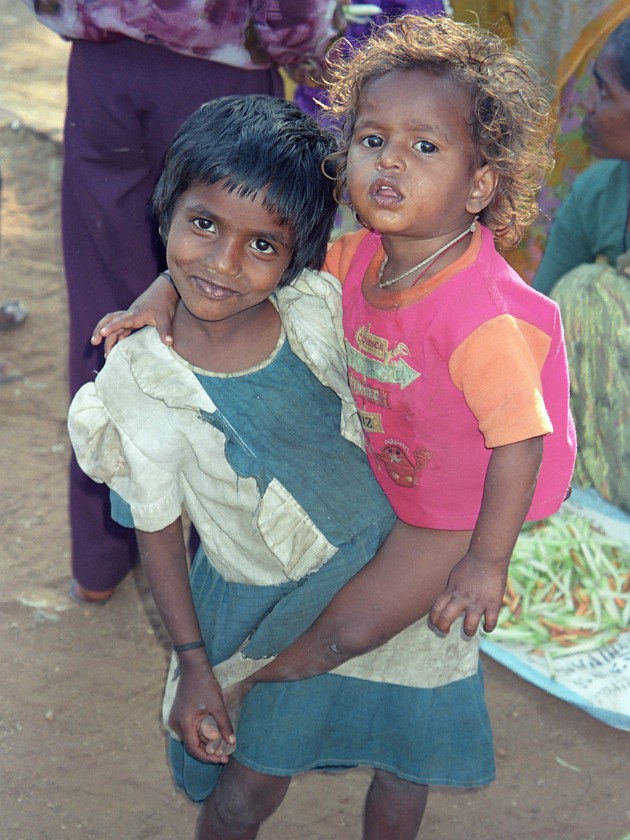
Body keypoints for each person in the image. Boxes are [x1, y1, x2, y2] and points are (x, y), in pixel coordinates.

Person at [90, 16, 576, 838]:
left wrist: (485, 563)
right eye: (374, 137)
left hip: (452, 510)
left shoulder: (480, 315)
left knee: (351, 632)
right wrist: (154, 299)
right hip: (393, 476)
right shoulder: (359, 258)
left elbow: (520, 440)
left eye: (426, 148)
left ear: (481, 185)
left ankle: (250, 688)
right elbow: (232, 264)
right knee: (367, 671)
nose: (390, 161)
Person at [25, 0, 345, 603]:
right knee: (233, 307)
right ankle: (218, 563)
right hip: (221, 69)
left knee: (108, 313)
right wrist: (308, 51)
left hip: (103, 68)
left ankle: (98, 561)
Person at [533, 19, 630, 514]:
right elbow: (535, 326)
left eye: (603, 91)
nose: (587, 104)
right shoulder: (599, 192)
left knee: (590, 292)